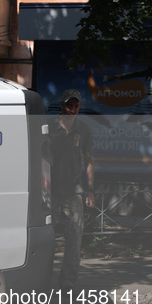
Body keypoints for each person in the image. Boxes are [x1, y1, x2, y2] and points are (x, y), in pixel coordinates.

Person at [48, 89, 95, 289]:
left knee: (75, 236)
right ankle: (41, 277)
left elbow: (90, 161)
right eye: (69, 105)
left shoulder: (83, 130)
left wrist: (90, 190)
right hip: (49, 190)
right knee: (45, 236)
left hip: (74, 189)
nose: (72, 109)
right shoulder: (49, 126)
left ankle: (68, 280)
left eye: (76, 106)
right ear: (62, 105)